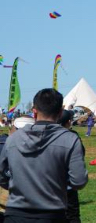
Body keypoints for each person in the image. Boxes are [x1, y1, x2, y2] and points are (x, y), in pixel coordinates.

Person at [0, 89, 88, 222]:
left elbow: (2, 175)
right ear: (60, 113)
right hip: (52, 213)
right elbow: (79, 180)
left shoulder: (13, 139)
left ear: (34, 112)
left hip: (16, 214)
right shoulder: (69, 140)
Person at [58, 110, 83, 223]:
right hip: (68, 184)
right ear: (68, 122)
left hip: (48, 184)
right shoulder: (72, 136)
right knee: (72, 215)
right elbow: (81, 153)